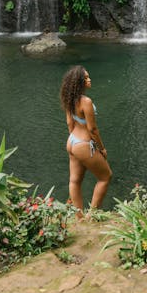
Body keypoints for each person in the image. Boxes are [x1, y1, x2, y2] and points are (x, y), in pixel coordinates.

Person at [60, 65, 112, 217]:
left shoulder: (69, 98)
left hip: (72, 141)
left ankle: (79, 218)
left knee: (75, 181)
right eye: (86, 78)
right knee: (105, 177)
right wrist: (101, 149)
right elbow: (93, 129)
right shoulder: (86, 101)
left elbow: (70, 123)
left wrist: (75, 142)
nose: (89, 80)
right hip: (83, 144)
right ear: (79, 82)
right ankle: (91, 216)